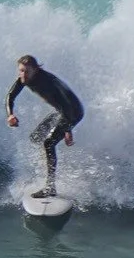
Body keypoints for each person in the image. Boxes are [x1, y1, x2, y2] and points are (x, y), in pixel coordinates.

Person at [5, 54, 84, 195]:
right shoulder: (24, 79)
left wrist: (68, 129)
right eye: (21, 70)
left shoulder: (48, 81)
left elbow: (68, 105)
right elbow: (10, 96)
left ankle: (50, 187)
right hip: (60, 111)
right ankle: (49, 163)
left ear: (36, 69)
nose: (23, 74)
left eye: (26, 71)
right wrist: (10, 114)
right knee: (36, 138)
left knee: (48, 143)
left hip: (74, 111)